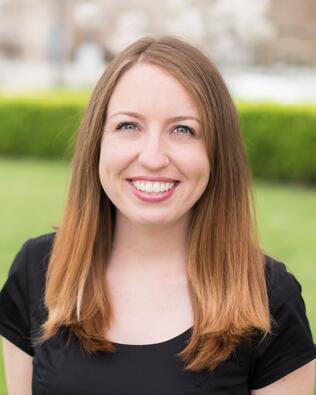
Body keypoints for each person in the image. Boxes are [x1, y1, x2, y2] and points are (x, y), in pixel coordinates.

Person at [0, 36, 315, 395]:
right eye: (128, 126)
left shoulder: (268, 296)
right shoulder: (37, 269)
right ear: (96, 143)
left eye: (183, 129)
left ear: (217, 153)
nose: (152, 157)